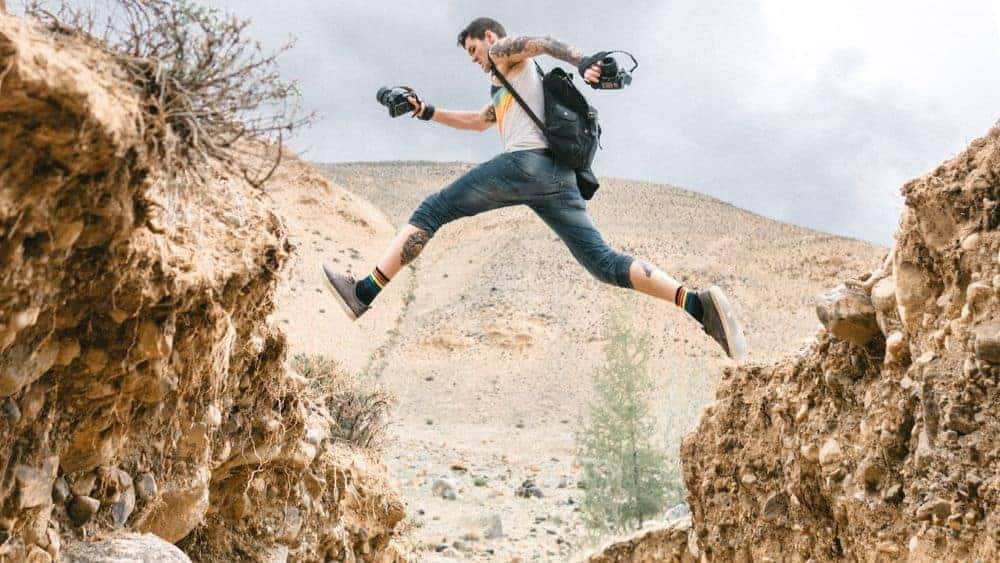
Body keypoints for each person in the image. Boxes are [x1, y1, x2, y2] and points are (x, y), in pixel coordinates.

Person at [322, 17, 747, 361]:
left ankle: (363, 293)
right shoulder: (509, 86)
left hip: (524, 166)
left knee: (433, 209)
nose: (476, 60)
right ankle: (697, 304)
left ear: (489, 37)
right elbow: (478, 121)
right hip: (558, 178)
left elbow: (541, 41)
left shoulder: (505, 54)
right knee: (602, 263)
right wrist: (425, 111)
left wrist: (584, 62)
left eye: (474, 50)